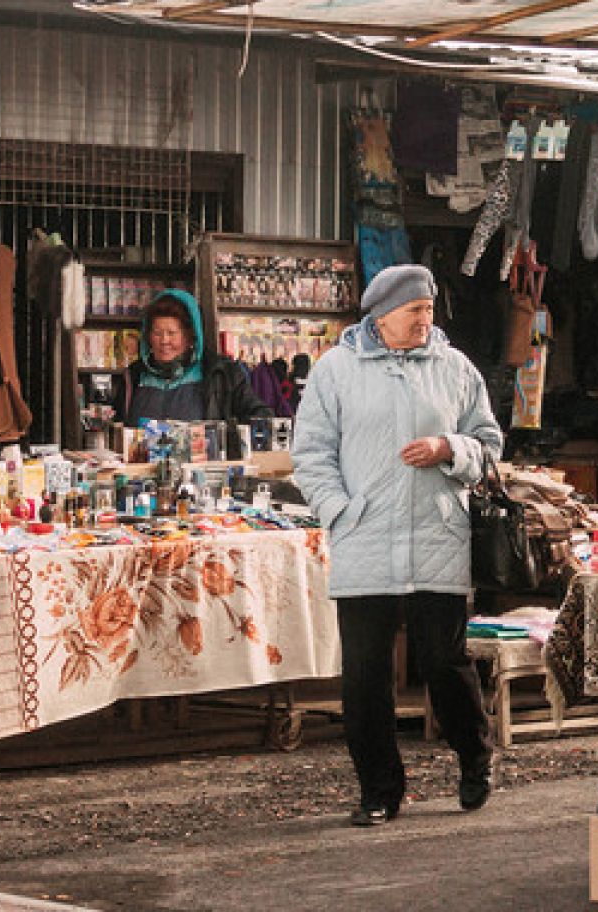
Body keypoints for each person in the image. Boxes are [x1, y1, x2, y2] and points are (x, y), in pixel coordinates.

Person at [291, 264, 504, 828]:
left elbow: (488, 445)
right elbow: (311, 454)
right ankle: (379, 791)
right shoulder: (335, 371)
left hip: (437, 533)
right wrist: (341, 510)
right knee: (364, 675)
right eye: (415, 311)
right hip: (365, 537)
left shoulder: (455, 368)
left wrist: (448, 448)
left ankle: (474, 758)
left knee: (444, 662)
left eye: (430, 310)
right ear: (381, 316)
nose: (425, 320)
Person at [125, 290, 271, 438]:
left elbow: (262, 417)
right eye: (157, 333)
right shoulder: (134, 376)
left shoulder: (221, 374)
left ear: (190, 336)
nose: (164, 341)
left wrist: (229, 441)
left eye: (171, 333)